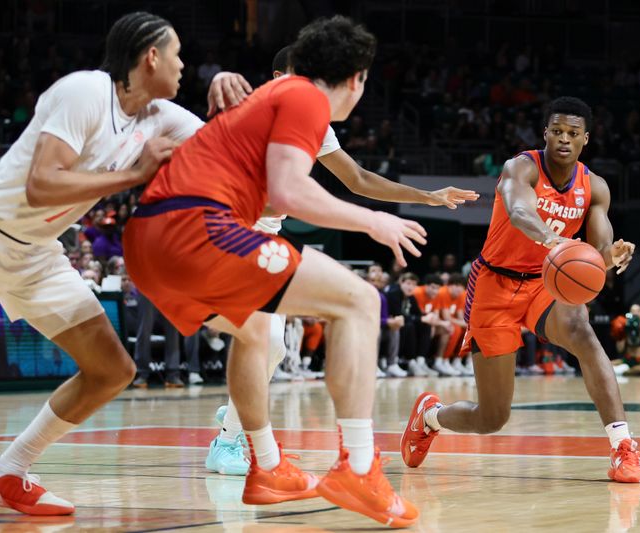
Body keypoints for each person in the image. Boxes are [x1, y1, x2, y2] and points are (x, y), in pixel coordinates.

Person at [123, 16, 420, 527]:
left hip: (148, 240)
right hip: (198, 228)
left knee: (259, 332)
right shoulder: (306, 97)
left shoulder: (274, 96)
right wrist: (372, 220)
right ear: (356, 78)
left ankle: (264, 465)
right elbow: (288, 192)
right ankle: (359, 465)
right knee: (361, 301)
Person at [0, 11, 250, 516]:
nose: (185, 67)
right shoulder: (85, 92)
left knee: (112, 370)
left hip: (36, 252)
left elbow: (233, 150)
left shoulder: (164, 117)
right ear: (150, 56)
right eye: (177, 54)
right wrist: (134, 174)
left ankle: (11, 470)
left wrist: (234, 99)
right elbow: (42, 183)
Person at [204, 44, 478, 476]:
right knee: (271, 339)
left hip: (265, 242)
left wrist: (427, 196)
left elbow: (358, 179)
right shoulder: (248, 112)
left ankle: (241, 418)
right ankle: (234, 439)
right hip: (222, 237)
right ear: (276, 78)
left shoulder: (314, 122)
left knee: (272, 344)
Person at [400, 97, 640, 483]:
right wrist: (555, 241)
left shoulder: (595, 187)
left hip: (545, 283)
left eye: (573, 133)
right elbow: (518, 212)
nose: (564, 139)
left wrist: (611, 256)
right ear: (545, 133)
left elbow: (598, 252)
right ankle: (430, 416)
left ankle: (623, 448)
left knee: (582, 331)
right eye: (557, 131)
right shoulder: (522, 167)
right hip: (494, 284)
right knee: (491, 417)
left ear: (586, 139)